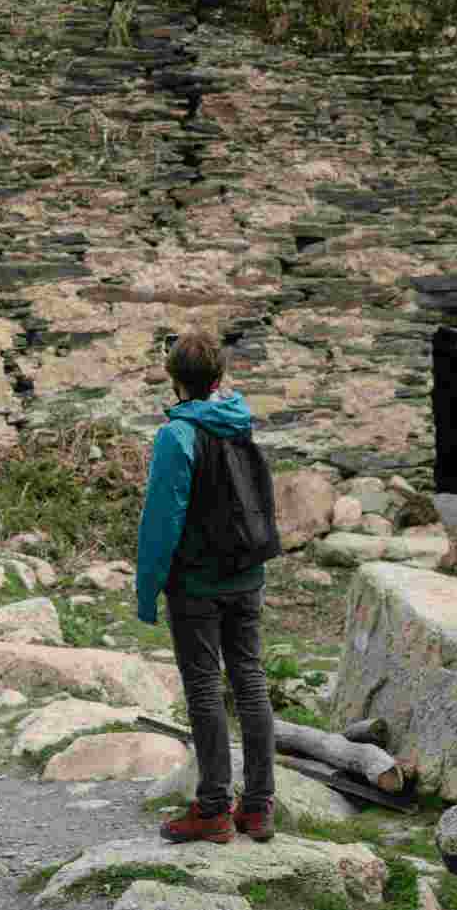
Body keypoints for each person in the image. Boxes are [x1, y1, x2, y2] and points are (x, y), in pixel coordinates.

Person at [131, 329, 277, 844]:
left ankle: (214, 808)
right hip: (247, 573)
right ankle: (258, 807)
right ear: (218, 378)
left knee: (204, 688)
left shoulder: (177, 435)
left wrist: (147, 590)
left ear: (173, 379)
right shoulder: (239, 420)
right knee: (250, 681)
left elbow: (161, 521)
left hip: (196, 582)